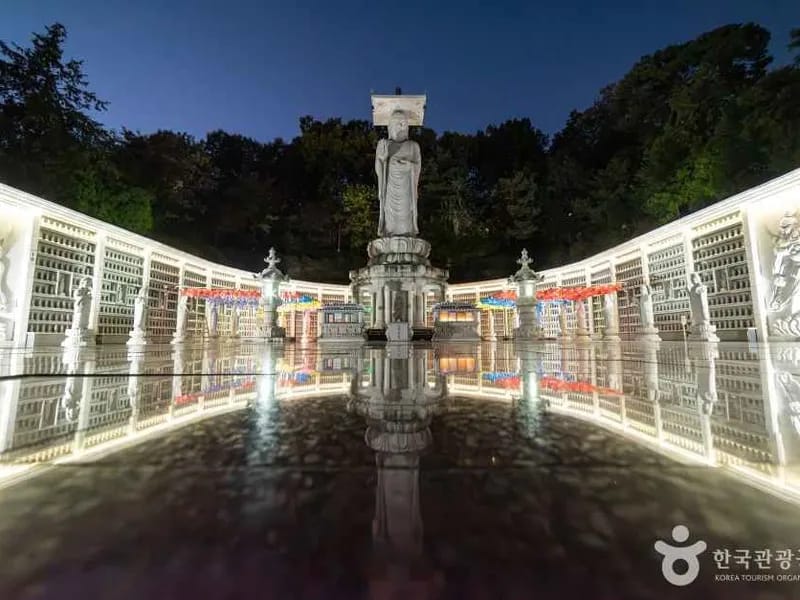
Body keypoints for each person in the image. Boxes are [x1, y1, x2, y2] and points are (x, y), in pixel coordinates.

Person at [375, 110, 421, 237]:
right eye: (397, 123)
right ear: (390, 126)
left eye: (404, 123)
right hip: (390, 189)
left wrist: (410, 166)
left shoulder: (413, 146)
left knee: (406, 217)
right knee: (390, 219)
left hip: (406, 189)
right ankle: (389, 233)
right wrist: (382, 159)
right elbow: (378, 170)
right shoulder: (384, 144)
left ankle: (407, 233)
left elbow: (418, 167)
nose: (401, 126)